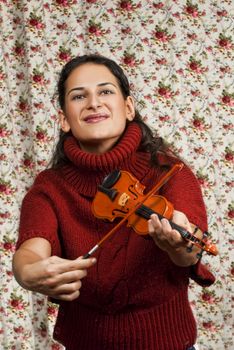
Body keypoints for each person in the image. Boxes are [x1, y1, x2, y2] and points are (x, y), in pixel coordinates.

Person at [12, 54, 215, 350]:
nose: (94, 103)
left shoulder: (170, 172)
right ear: (64, 119)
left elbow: (189, 251)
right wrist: (27, 272)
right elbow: (31, 249)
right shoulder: (50, 187)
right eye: (79, 96)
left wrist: (181, 246)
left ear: (129, 107)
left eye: (105, 91)